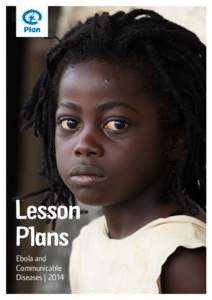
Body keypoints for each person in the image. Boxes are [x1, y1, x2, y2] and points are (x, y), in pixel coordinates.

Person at [21, 8, 206, 293]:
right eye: (70, 123)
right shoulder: (89, 241)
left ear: (174, 140)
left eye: (116, 124)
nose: (84, 145)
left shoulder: (183, 259)